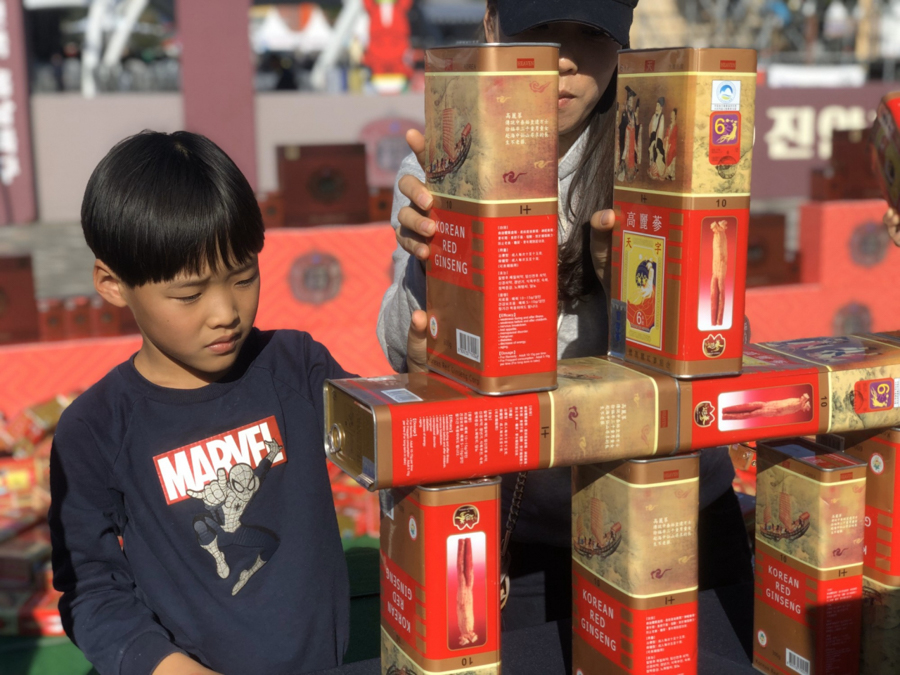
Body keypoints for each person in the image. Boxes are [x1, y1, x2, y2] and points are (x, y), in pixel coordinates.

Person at [378, 0, 752, 629]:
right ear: (493, 25)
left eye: (592, 33)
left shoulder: (665, 148)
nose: (568, 58)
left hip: (670, 509)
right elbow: (401, 351)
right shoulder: (441, 157)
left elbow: (723, 352)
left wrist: (629, 292)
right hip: (512, 532)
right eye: (543, 27)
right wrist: (433, 267)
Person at [50, 131, 352, 675]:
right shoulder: (95, 429)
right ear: (113, 284)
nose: (225, 313)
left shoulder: (296, 367)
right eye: (189, 295)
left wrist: (421, 368)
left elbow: (400, 446)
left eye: (243, 278)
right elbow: (92, 589)